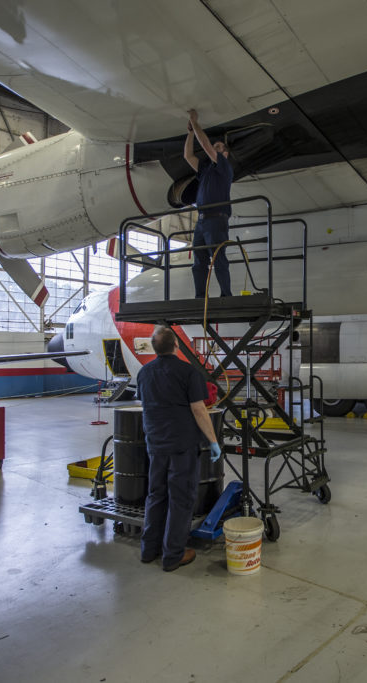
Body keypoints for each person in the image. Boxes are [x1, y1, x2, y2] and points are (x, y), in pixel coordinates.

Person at [137, 326, 223, 572]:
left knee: (156, 495)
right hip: (182, 446)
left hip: (155, 444)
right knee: (181, 499)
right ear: (176, 345)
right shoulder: (188, 373)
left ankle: (148, 549)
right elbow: (199, 410)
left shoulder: (144, 373)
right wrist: (213, 441)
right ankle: (173, 554)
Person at [184, 108, 234, 298]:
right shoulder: (206, 169)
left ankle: (225, 294)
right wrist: (190, 133)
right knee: (199, 260)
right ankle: (200, 296)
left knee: (218, 257)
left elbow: (205, 145)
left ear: (226, 154)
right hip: (202, 219)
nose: (216, 147)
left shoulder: (224, 168)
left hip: (216, 219)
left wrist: (195, 122)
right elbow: (188, 156)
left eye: (220, 147)